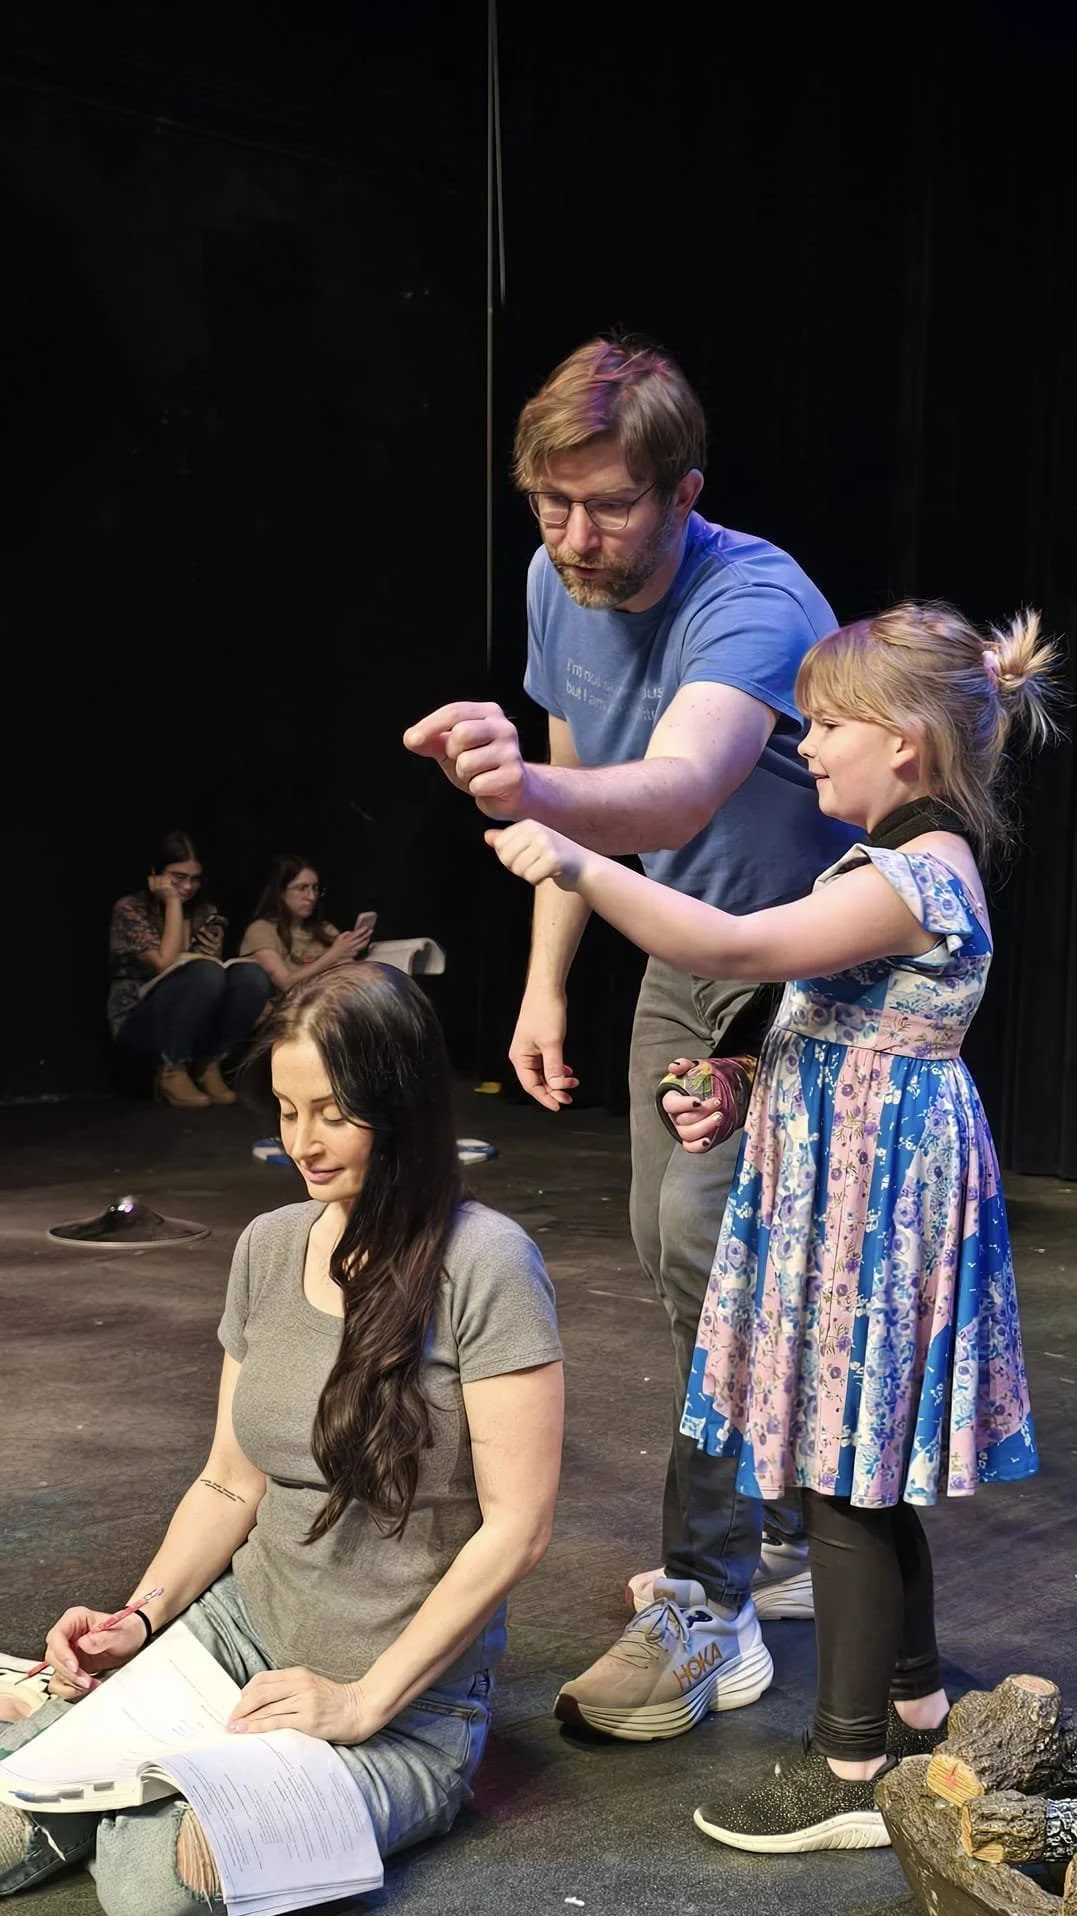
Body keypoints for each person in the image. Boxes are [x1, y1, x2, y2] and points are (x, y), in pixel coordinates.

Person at [489, 601, 1051, 1851]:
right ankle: (914, 1702)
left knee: (844, 1481)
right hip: (851, 1174)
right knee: (861, 1470)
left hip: (869, 1201)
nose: (809, 747)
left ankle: (847, 1768)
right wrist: (742, 1084)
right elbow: (846, 1024)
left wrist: (583, 860)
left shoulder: (913, 874)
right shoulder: (896, 867)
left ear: (906, 743)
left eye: (833, 725)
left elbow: (738, 942)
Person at [405, 337, 858, 1740]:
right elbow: (581, 787)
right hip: (679, 963)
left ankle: (718, 1599)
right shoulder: (558, 582)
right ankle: (775, 1532)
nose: (575, 538)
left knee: (718, 1254)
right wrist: (547, 983)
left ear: (683, 493)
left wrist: (512, 787)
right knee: (677, 1250)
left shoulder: (757, 595)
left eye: (607, 507)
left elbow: (666, 793)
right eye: (551, 504)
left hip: (805, 978)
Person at [0, 963, 564, 1916]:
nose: (302, 1141)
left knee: (155, 1885)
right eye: (285, 1109)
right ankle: (33, 1704)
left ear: (399, 1102)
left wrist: (361, 1698)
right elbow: (229, 1476)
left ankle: (39, 1720)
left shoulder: (486, 1261)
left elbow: (518, 1525)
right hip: (240, 1633)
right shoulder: (271, 1246)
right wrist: (140, 1617)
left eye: (330, 1110)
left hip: (404, 1701)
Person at [107, 830, 271, 1108]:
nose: (187, 887)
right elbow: (165, 964)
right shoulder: (131, 909)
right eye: (178, 878)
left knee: (250, 976)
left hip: (192, 1023)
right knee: (204, 973)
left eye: (194, 879)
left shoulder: (205, 912)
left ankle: (209, 1064)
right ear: (155, 875)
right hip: (140, 1023)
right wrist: (172, 903)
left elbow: (213, 980)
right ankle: (171, 1069)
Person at [238, 853, 374, 991]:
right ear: (281, 892)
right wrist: (333, 955)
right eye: (302, 888)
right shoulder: (262, 930)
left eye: (315, 888)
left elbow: (346, 970)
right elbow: (286, 983)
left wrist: (352, 948)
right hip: (292, 1007)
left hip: (334, 998)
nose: (311, 897)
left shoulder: (324, 929)